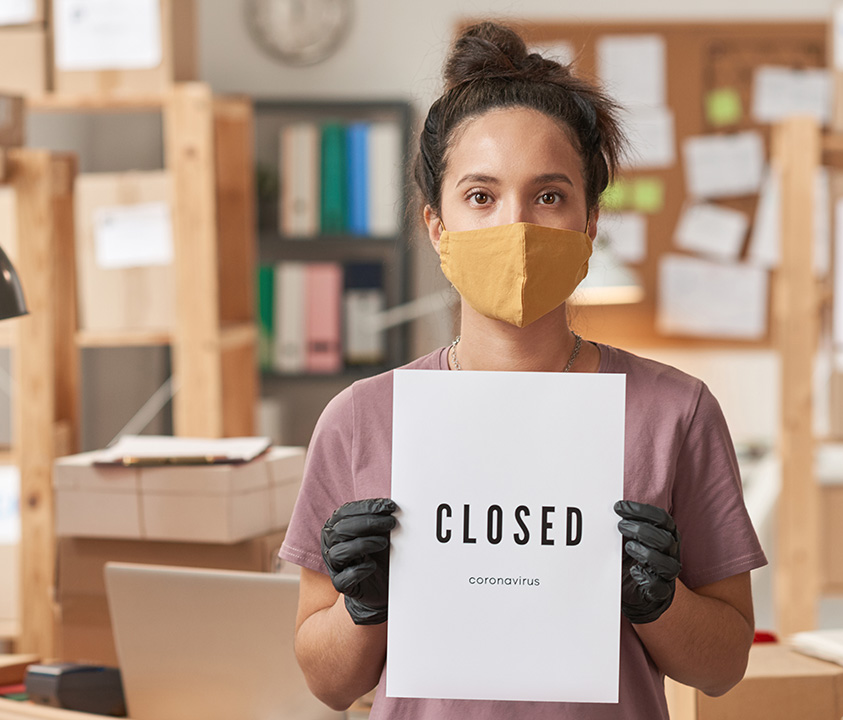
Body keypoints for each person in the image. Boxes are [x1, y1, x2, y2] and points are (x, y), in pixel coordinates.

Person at [278, 21, 767, 719]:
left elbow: (723, 666)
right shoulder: (362, 419)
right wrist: (365, 604)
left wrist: (660, 601)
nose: (517, 227)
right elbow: (328, 683)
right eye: (481, 196)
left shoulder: (674, 412)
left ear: (591, 222)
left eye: (549, 195)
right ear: (435, 225)